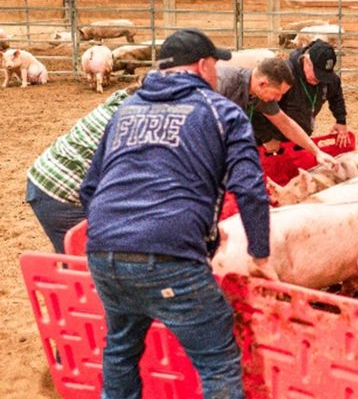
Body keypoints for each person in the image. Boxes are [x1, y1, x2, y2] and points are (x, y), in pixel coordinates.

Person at [80, 28, 276, 399]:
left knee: (121, 351)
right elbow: (250, 190)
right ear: (203, 66)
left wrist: (113, 236)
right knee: (217, 360)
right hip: (171, 254)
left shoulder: (126, 109)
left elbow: (90, 187)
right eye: (215, 65)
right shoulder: (222, 113)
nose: (217, 74)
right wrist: (260, 252)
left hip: (105, 253)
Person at [26, 82, 140, 253]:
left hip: (48, 177)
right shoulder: (138, 118)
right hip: (61, 191)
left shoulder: (123, 98)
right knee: (86, 262)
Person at [217, 54, 339, 168]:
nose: (279, 99)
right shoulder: (223, 84)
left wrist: (317, 152)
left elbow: (286, 124)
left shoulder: (259, 94)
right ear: (263, 83)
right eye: (277, 94)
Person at [250, 39, 350, 151]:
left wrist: (341, 120)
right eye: (316, 73)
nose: (319, 79)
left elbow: (336, 93)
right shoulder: (285, 76)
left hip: (298, 139)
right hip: (271, 141)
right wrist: (267, 138)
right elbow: (258, 107)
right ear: (306, 60)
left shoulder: (326, 79)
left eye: (323, 75)